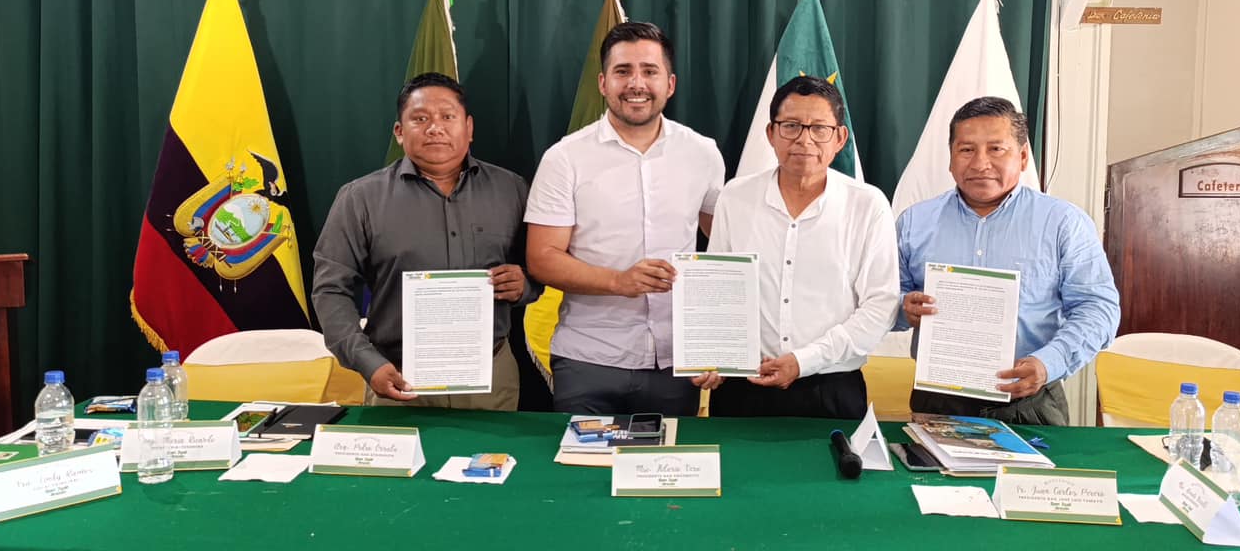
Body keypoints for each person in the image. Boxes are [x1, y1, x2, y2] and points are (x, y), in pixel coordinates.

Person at [525, 22, 726, 416]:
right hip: (588, 359)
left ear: (670, 84)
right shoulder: (565, 159)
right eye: (623, 71)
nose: (636, 83)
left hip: (676, 363)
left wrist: (719, 341)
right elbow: (542, 258)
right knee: (578, 458)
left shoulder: (703, 153)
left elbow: (725, 250)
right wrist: (619, 282)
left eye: (649, 71)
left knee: (669, 458)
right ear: (603, 83)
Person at [312, 72, 538, 410]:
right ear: (399, 132)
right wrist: (368, 363)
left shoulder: (512, 190)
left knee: (492, 449)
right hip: (397, 377)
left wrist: (526, 284)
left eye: (447, 116)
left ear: (469, 128)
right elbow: (330, 290)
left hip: (489, 377)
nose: (435, 128)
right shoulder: (360, 198)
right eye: (420, 119)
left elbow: (540, 267)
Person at [895, 96, 1120, 425]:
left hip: (1031, 400)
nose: (980, 163)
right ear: (951, 158)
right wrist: (902, 307)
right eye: (966, 149)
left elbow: (1098, 307)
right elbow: (887, 298)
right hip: (939, 399)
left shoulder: (1063, 223)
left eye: (996, 149)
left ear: (1023, 156)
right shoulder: (915, 222)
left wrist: (1048, 362)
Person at [705, 76, 899, 419]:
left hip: (831, 388)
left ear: (840, 138)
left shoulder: (867, 205)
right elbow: (717, 288)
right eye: (791, 126)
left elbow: (880, 306)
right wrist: (710, 355)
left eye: (819, 128)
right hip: (743, 386)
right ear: (771, 133)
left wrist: (804, 361)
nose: (804, 140)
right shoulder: (736, 197)